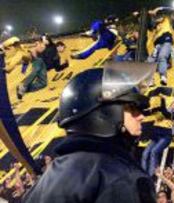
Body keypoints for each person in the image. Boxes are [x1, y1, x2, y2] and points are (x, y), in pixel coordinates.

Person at [23, 64, 157, 203]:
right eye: (132, 108)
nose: (141, 116)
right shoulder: (121, 178)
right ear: (106, 113)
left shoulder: (46, 179)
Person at [141, 98, 174, 176]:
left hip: (165, 136)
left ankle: (152, 175)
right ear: (172, 103)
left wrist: (163, 100)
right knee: (145, 153)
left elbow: (165, 112)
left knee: (154, 152)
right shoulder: (161, 110)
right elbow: (149, 113)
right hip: (156, 135)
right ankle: (143, 174)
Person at [147, 7, 174, 85]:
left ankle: (163, 77)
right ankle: (151, 80)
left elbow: (169, 9)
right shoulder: (155, 26)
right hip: (157, 45)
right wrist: (140, 15)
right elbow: (147, 23)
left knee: (162, 56)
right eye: (156, 17)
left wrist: (156, 9)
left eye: (159, 16)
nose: (158, 18)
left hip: (166, 41)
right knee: (149, 61)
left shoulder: (166, 20)